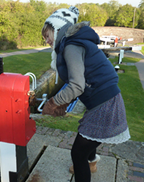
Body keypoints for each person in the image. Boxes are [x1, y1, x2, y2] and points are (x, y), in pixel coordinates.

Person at [41, 6, 131, 182]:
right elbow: (82, 81)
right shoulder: (73, 42)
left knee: (77, 153)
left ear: (56, 28)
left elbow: (76, 86)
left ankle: (87, 164)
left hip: (105, 104)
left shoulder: (71, 46)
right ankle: (92, 163)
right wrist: (64, 103)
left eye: (47, 35)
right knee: (89, 134)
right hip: (106, 100)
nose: (46, 41)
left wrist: (53, 103)